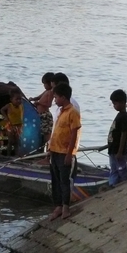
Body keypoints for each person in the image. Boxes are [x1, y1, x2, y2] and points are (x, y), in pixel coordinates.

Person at [48, 82, 81, 220]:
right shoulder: (61, 112)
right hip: (55, 150)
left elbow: (74, 133)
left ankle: (66, 207)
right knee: (55, 180)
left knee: (64, 180)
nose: (55, 100)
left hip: (64, 152)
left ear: (63, 97)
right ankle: (58, 207)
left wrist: (69, 153)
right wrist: (49, 149)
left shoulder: (73, 112)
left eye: (56, 97)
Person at [107, 89, 127, 187]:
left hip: (118, 151)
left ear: (122, 103)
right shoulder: (119, 115)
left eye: (115, 104)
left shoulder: (124, 117)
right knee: (114, 169)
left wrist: (120, 151)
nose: (114, 106)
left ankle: (123, 185)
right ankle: (113, 185)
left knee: (121, 170)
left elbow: (123, 134)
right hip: (113, 150)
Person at [29, 72, 55, 148]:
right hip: (40, 115)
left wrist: (39, 103)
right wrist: (33, 99)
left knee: (46, 136)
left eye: (45, 84)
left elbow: (49, 104)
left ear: (50, 83)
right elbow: (39, 97)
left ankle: (47, 151)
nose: (44, 86)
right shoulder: (46, 91)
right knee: (40, 134)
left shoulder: (50, 92)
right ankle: (40, 149)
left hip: (45, 115)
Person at [0, 88, 24, 156]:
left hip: (19, 126)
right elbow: (2, 110)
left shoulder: (21, 106)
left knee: (17, 142)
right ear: (11, 99)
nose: (19, 101)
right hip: (11, 125)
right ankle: (8, 155)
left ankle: (16, 155)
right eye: (17, 99)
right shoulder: (9, 106)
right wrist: (6, 117)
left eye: (20, 99)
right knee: (10, 141)